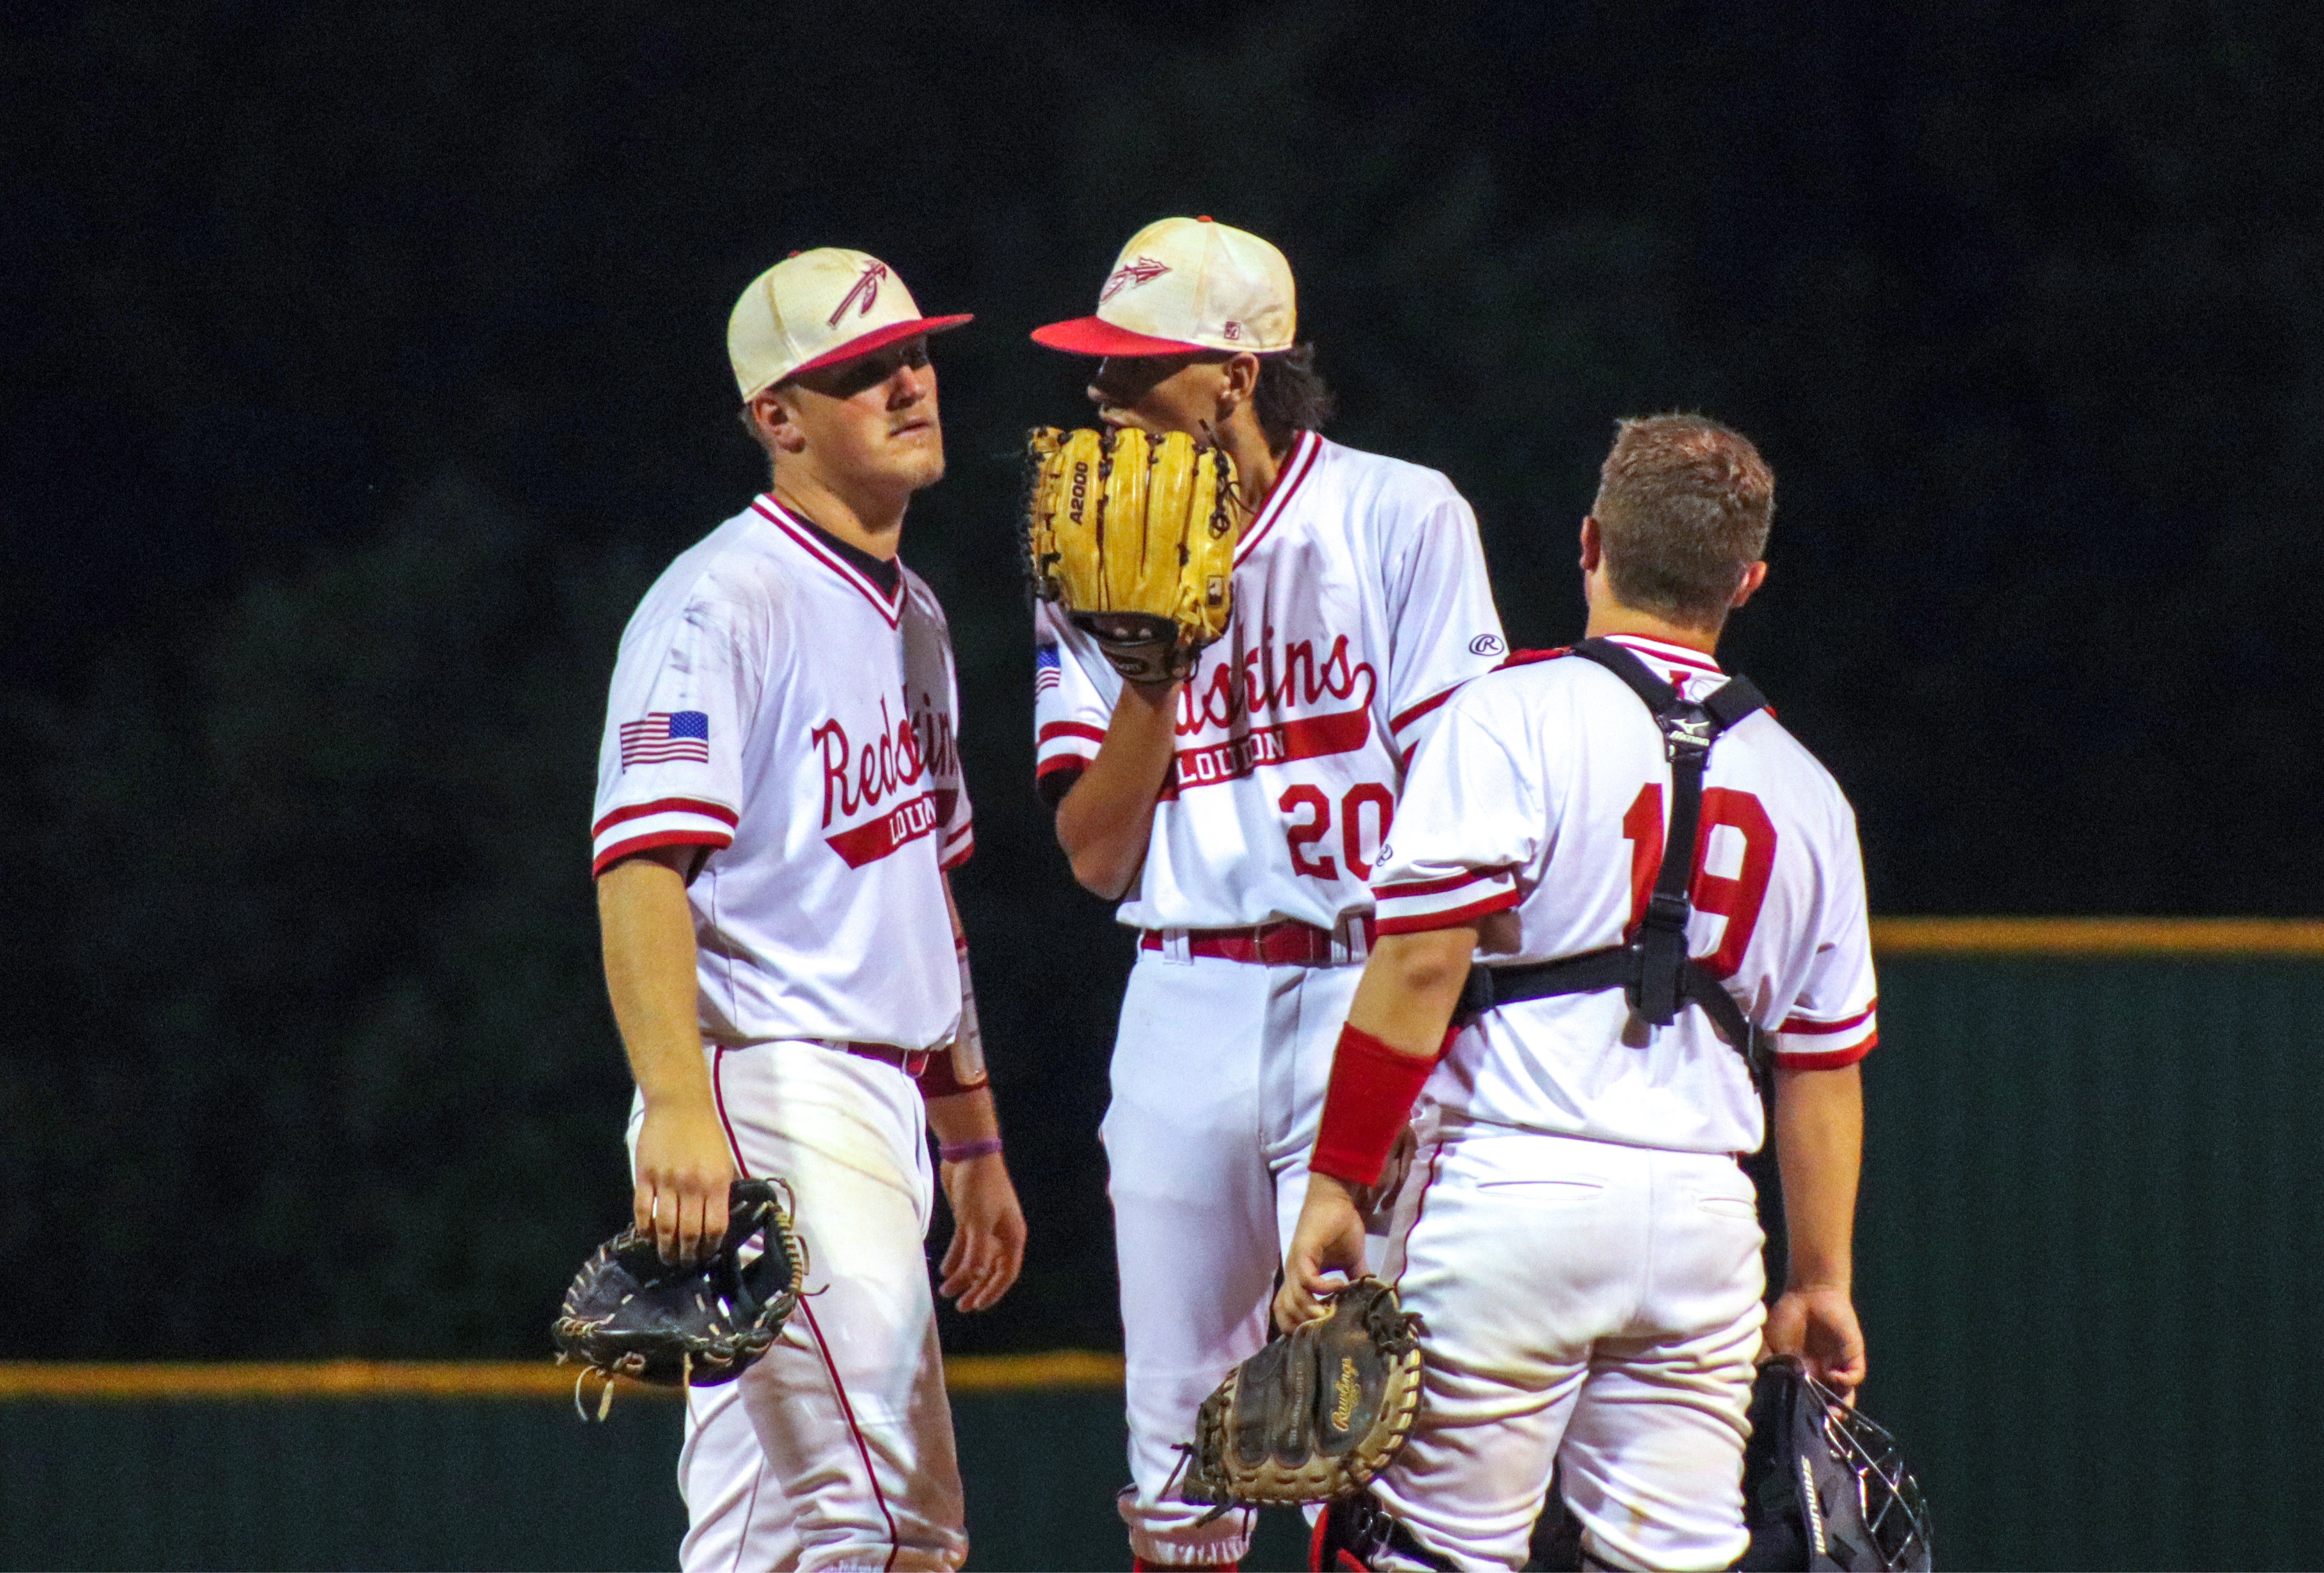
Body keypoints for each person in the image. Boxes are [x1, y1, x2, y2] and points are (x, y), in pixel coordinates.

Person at [1277, 414, 1876, 1573]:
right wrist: (1819, 1281)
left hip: (1511, 1187)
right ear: (1745, 581)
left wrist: (1338, 1177)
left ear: (1589, 540)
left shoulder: (1511, 711)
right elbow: (1821, 1066)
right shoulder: (1808, 791)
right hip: (1703, 1226)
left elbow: (1418, 962)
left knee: (1420, 1556)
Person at [1028, 215, 1508, 1570]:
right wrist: (1153, 669)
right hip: (1183, 989)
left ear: (1235, 374)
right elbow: (1094, 853)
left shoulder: (1397, 514)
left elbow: (1459, 810)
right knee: (1179, 1453)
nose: (1100, 393)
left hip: (1371, 984)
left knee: (1376, 1424)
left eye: (1134, 366)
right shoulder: (1092, 556)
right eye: (1097, 367)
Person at [591, 248, 1027, 1573]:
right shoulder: (721, 600)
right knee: (889, 1520)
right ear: (776, 420)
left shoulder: (917, 619)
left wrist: (971, 1137)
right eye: (855, 372)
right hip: (773, 1086)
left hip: (882, 1098)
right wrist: (673, 1102)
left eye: (913, 354)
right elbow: (640, 868)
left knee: (762, 1539)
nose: (907, 382)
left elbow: (921, 896)